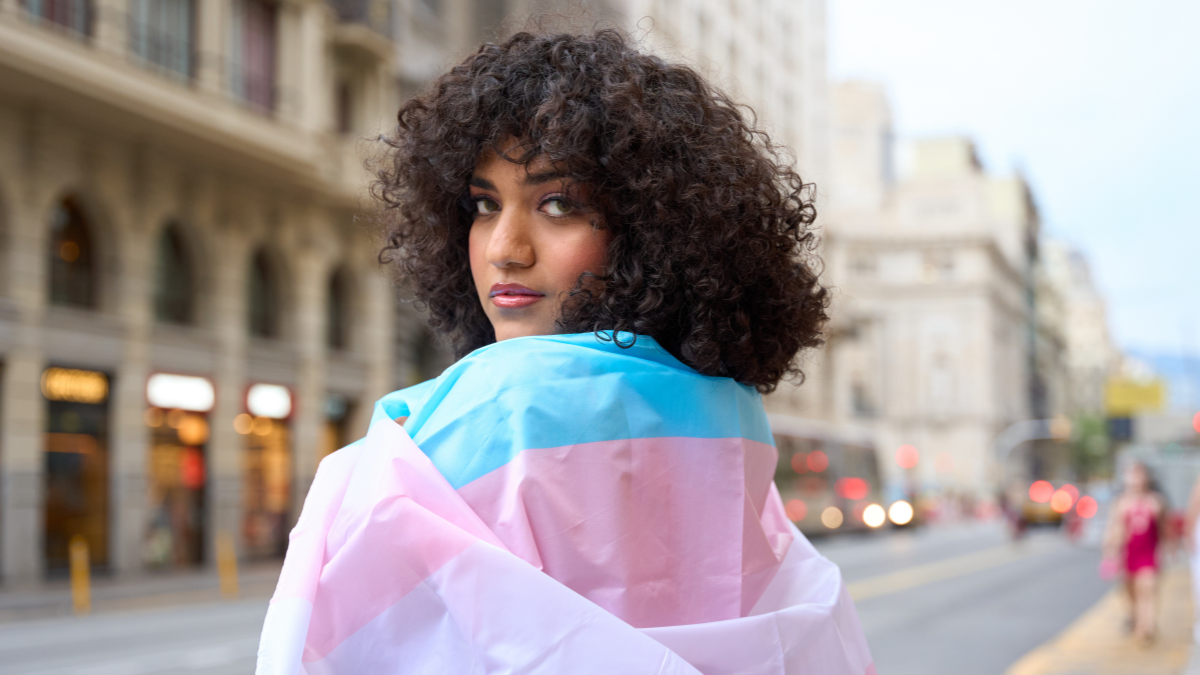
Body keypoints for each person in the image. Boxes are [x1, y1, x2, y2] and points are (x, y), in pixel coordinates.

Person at [256, 30, 873, 675]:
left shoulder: (499, 407)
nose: (505, 248)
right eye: (483, 205)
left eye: (557, 205)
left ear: (648, 230)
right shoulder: (734, 418)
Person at [1103, 462, 1165, 646]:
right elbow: (1114, 529)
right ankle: (1135, 616)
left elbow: (1164, 529)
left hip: (1149, 553)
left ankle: (1146, 627)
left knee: (1147, 589)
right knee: (1131, 591)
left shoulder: (1156, 502)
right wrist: (1109, 552)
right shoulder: (1121, 503)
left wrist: (1170, 547)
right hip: (1128, 555)